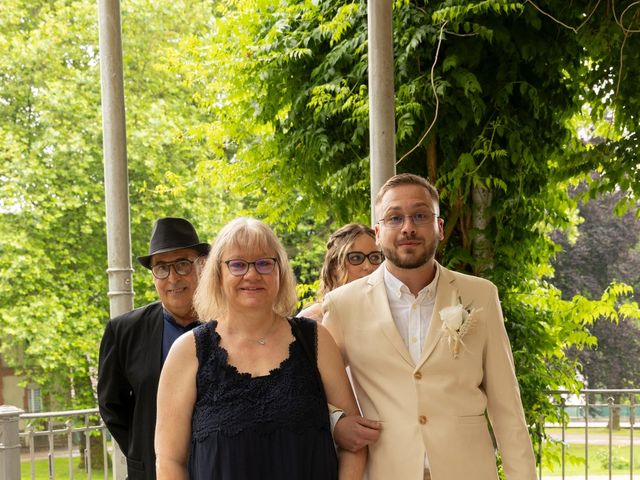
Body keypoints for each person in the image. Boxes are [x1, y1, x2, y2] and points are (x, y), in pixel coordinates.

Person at [324, 174, 537, 480]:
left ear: (438, 226)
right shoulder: (343, 305)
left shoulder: (480, 295)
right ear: (379, 232)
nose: (408, 227)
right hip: (386, 471)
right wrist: (336, 422)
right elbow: (312, 389)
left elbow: (507, 408)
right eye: (394, 217)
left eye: (420, 215)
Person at [155, 217, 366, 480]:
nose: (252, 274)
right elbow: (169, 462)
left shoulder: (315, 340)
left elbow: (355, 443)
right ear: (218, 274)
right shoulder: (188, 351)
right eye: (238, 264)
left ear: (280, 272)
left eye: (265, 263)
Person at [98, 217, 209, 480]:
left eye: (182, 264)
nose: (172, 278)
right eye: (161, 267)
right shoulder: (123, 331)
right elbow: (112, 405)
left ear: (202, 266)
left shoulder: (228, 325)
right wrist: (143, 452)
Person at [298, 223, 384, 321]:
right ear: (334, 266)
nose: (368, 266)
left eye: (375, 257)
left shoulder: (391, 313)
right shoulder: (310, 321)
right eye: (356, 258)